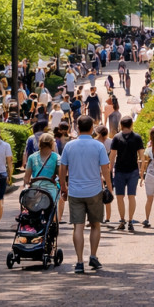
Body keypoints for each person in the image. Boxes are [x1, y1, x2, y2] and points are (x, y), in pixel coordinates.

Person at [59, 115, 111, 273]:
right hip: (94, 190)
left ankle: (79, 261)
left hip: (75, 190)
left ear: (78, 128)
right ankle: (93, 256)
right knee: (95, 225)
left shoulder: (69, 146)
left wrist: (64, 187)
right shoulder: (99, 146)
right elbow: (105, 169)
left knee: (78, 227)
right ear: (91, 128)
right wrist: (109, 186)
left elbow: (62, 169)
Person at [109, 116, 144, 231]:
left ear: (121, 125)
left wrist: (110, 171)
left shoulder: (116, 137)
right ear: (131, 124)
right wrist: (141, 171)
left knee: (120, 197)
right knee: (131, 196)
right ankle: (130, 220)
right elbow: (142, 156)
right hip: (133, 170)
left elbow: (112, 156)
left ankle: (122, 220)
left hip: (119, 170)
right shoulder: (137, 137)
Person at [23, 132, 60, 197]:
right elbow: (61, 175)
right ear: (52, 144)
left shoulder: (32, 157)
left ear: (40, 143)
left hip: (35, 190)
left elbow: (26, 178)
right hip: (51, 192)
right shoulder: (57, 157)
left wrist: (26, 186)